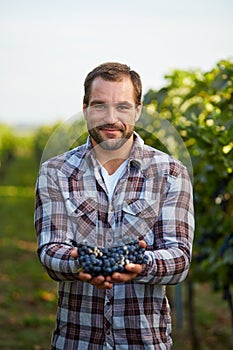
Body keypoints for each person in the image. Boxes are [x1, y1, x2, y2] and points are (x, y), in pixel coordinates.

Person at [34, 62, 194, 349]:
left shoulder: (170, 172)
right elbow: (50, 250)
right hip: (76, 341)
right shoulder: (55, 171)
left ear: (138, 110)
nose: (111, 118)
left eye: (122, 106)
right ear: (85, 110)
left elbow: (180, 258)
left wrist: (141, 264)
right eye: (99, 106)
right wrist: (79, 259)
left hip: (144, 342)